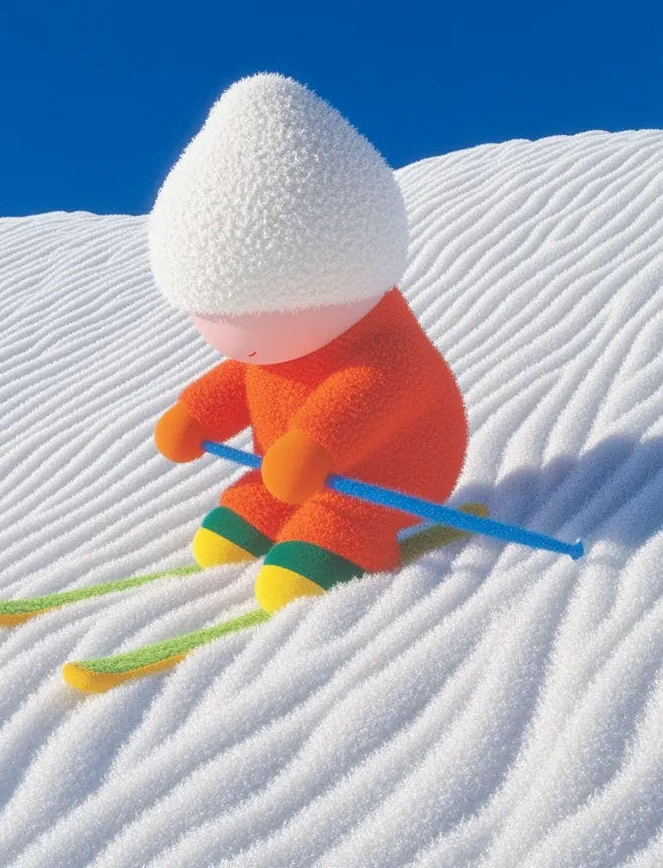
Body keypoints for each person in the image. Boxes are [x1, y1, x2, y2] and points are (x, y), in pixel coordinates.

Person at [148, 73, 467, 612]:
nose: (236, 335)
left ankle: (350, 532)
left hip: (376, 482)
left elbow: (368, 393)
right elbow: (246, 376)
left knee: (291, 576)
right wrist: (196, 417)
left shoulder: (385, 350)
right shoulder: (272, 356)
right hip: (286, 473)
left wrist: (315, 446)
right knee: (225, 538)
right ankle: (275, 507)